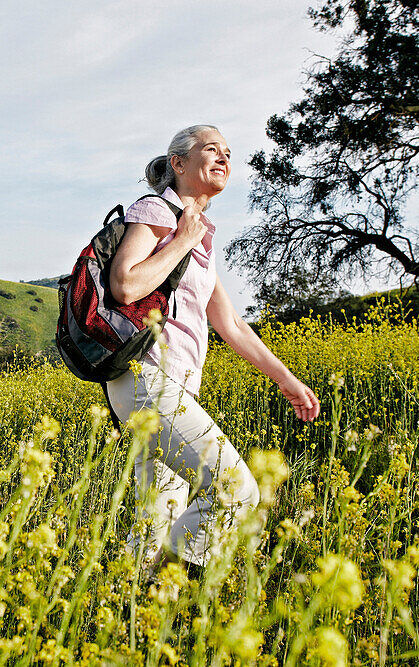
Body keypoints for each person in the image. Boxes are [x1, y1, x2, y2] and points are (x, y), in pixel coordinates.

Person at [105, 125, 320, 579]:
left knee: (156, 522)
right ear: (179, 164)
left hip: (172, 389)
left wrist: (289, 381)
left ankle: (114, 618)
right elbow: (124, 285)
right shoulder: (158, 211)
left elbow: (233, 325)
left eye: (227, 152)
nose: (223, 157)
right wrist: (182, 238)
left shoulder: (199, 234)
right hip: (146, 380)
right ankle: (166, 589)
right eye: (210, 150)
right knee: (235, 489)